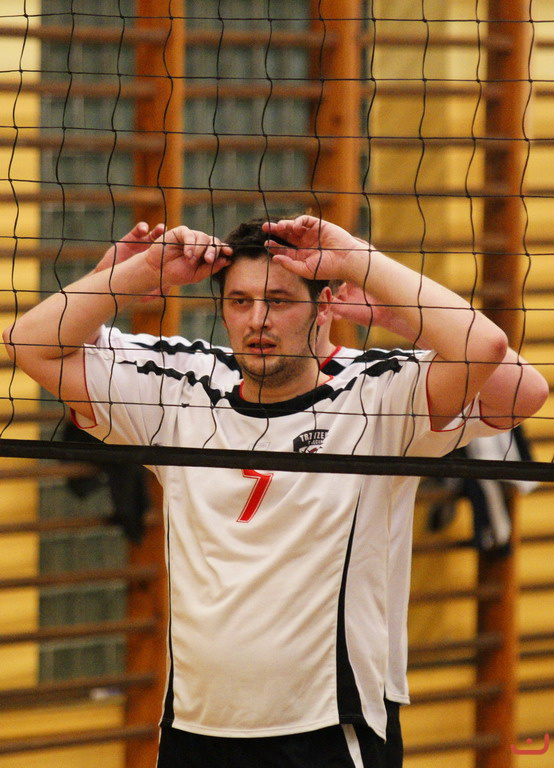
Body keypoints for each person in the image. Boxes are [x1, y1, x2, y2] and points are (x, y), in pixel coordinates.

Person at [3, 215, 548, 768]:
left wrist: (366, 271)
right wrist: (137, 274)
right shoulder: (179, 388)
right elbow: (30, 343)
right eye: (239, 302)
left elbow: (502, 366)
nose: (257, 319)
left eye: (279, 301)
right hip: (196, 728)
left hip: (330, 729)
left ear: (323, 307)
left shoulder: (378, 396)